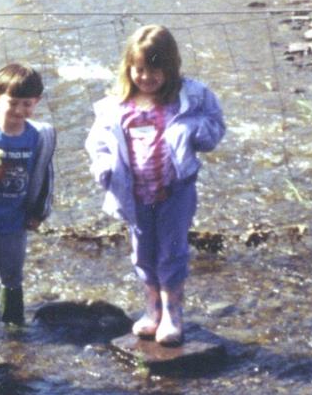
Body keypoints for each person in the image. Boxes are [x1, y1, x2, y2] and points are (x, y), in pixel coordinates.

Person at [83, 25, 225, 346]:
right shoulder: (116, 107)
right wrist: (104, 169)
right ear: (129, 68)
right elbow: (97, 144)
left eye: (155, 70)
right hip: (133, 193)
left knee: (171, 251)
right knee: (142, 252)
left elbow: (215, 126)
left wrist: (195, 131)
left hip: (175, 190)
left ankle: (173, 313)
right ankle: (152, 309)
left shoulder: (188, 99)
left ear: (171, 67)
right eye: (140, 70)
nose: (147, 77)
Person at [0, 62, 56, 327]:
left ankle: (14, 328)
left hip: (14, 221)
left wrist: (39, 213)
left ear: (37, 101)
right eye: (13, 103)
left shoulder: (39, 136)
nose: (19, 110)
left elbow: (45, 176)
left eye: (27, 104)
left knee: (12, 275)